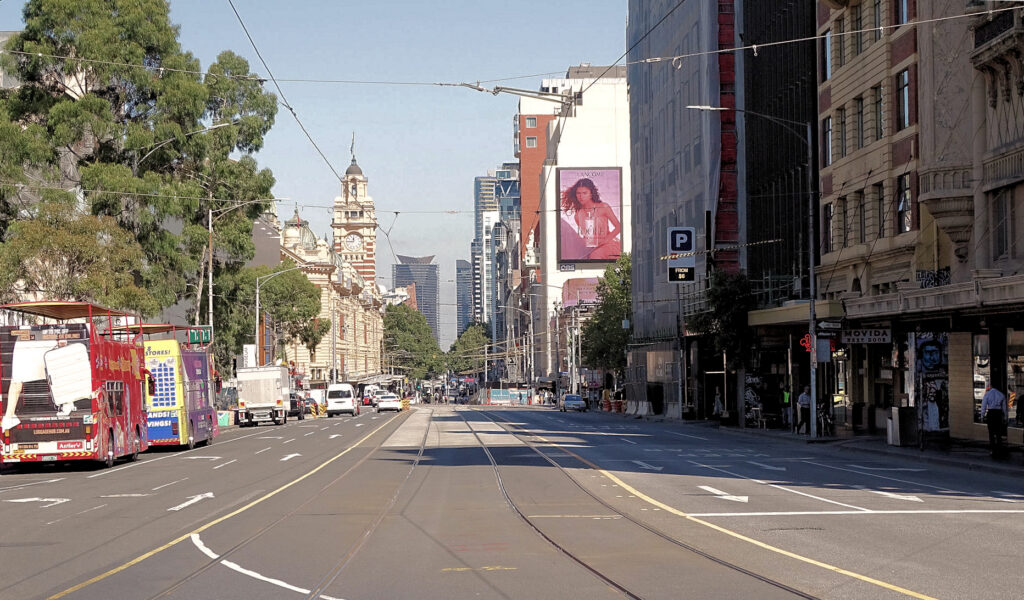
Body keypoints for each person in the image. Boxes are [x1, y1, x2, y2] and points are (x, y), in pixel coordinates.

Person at [560, 178, 622, 260]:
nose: (581, 196)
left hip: (608, 244)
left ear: (591, 194)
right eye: (578, 193)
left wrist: (605, 240)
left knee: (595, 255)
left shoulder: (603, 207)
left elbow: (619, 227)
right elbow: (586, 235)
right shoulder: (578, 215)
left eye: (584, 193)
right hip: (591, 247)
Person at [981, 385, 1008, 457]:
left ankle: (993, 450)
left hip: (991, 413)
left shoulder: (987, 394)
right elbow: (1004, 408)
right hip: (998, 414)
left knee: (991, 433)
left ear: (992, 386)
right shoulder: (1001, 395)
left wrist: (982, 416)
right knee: (998, 433)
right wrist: (1005, 417)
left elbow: (983, 406)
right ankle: (999, 449)